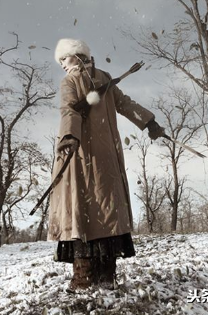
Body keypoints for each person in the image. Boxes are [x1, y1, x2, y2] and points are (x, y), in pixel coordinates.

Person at [47, 38, 165, 291]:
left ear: (77, 56)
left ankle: (87, 279)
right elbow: (72, 110)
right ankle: (102, 277)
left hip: (82, 156)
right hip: (91, 153)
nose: (62, 66)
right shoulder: (101, 78)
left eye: (64, 59)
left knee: (85, 213)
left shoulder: (88, 81)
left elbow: (73, 110)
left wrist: (149, 123)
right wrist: (147, 121)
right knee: (105, 212)